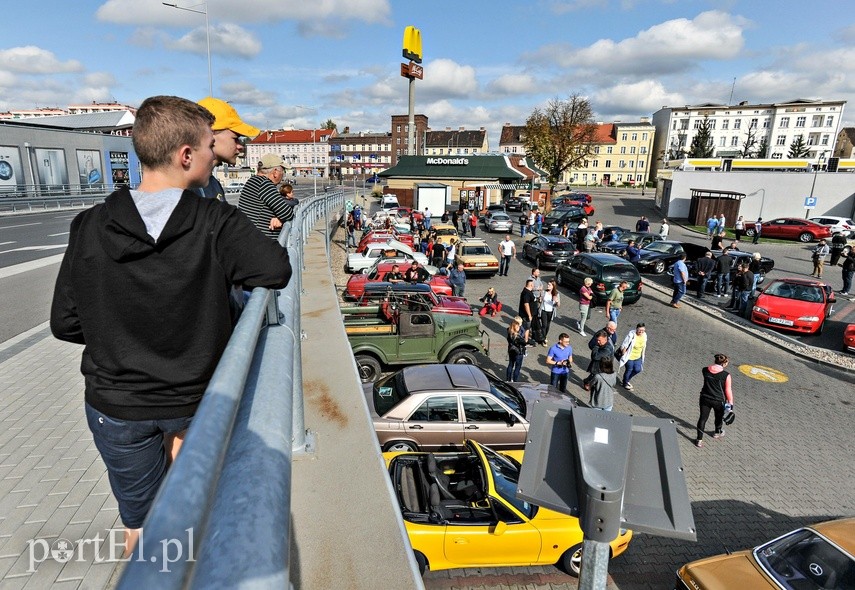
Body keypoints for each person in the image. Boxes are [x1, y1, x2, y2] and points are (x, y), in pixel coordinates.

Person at [50, 95, 292, 557]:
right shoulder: (214, 220)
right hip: (191, 400)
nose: (209, 155)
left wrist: (121, 331)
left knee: (141, 525)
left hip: (115, 406)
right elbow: (274, 269)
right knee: (193, 517)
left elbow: (64, 323)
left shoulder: (88, 225)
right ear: (186, 156)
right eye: (206, 146)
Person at [196, 97, 260, 201]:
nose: (240, 146)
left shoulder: (211, 182)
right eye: (235, 138)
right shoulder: (185, 187)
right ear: (209, 135)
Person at [238, 153, 296, 240]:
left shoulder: (252, 181)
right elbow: (287, 213)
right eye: (283, 170)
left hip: (248, 239)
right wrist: (281, 217)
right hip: (259, 244)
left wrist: (279, 217)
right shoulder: (265, 185)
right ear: (275, 172)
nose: (283, 174)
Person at [694, 353, 734, 448]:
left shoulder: (705, 370)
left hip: (705, 398)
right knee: (718, 417)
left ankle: (699, 440)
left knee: (703, 418)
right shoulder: (726, 375)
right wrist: (730, 403)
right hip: (718, 400)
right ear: (724, 364)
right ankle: (717, 432)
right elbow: (728, 390)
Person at [617, 323, 647, 391]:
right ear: (636, 329)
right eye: (640, 330)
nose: (641, 332)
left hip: (638, 356)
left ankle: (626, 380)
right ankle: (625, 383)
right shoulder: (631, 335)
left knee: (637, 369)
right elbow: (625, 344)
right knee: (629, 369)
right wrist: (623, 351)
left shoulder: (644, 335)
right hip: (629, 356)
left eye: (643, 330)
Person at [506, 316, 529, 382]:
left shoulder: (509, 330)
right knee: (517, 368)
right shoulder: (519, 333)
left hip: (511, 350)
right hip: (519, 352)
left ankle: (508, 379)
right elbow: (524, 343)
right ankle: (515, 381)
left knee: (510, 365)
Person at [539, 279, 560, 345]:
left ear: (553, 286)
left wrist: (556, 301)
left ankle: (544, 336)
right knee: (544, 325)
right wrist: (539, 299)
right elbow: (540, 300)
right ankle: (543, 339)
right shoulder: (544, 292)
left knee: (548, 325)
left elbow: (558, 305)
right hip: (543, 310)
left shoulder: (556, 294)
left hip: (550, 311)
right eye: (548, 284)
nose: (547, 286)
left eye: (549, 285)